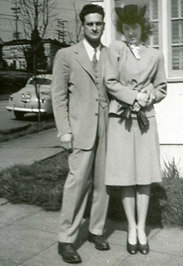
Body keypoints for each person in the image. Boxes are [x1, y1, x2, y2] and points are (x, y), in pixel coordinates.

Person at [105, 4, 167, 255]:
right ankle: (131, 227)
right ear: (122, 28)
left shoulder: (156, 55)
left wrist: (150, 94)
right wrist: (134, 97)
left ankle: (142, 228)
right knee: (126, 176)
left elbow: (162, 87)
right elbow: (110, 81)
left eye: (135, 27)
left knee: (143, 176)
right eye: (127, 27)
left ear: (144, 27)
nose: (131, 32)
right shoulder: (116, 49)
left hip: (145, 120)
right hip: (120, 119)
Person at [51, 4, 110, 264]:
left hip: (108, 132)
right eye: (90, 24)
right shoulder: (66, 55)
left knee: (103, 186)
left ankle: (96, 231)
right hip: (80, 132)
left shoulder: (111, 54)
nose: (95, 28)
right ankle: (66, 240)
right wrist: (64, 131)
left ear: (104, 25)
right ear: (82, 26)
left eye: (99, 23)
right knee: (75, 186)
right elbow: (59, 96)